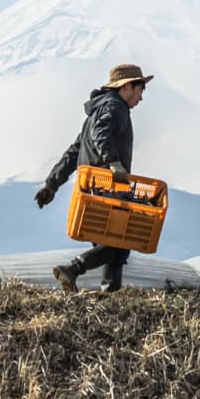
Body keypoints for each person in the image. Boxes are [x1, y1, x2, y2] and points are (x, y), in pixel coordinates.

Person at [34, 63, 153, 293]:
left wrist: (52, 184)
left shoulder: (95, 112)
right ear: (127, 86)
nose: (141, 97)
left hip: (89, 189)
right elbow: (102, 133)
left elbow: (74, 151)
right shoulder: (115, 107)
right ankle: (73, 268)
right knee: (120, 243)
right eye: (141, 89)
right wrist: (114, 163)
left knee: (114, 246)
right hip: (106, 187)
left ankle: (110, 295)